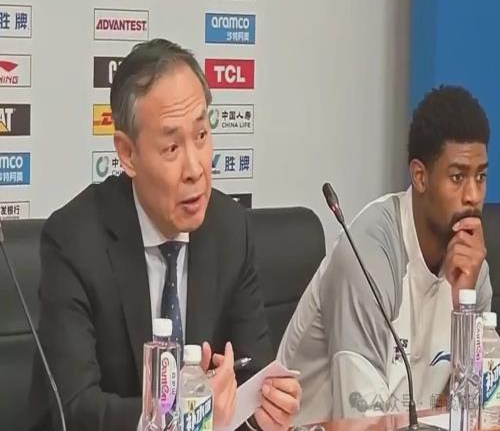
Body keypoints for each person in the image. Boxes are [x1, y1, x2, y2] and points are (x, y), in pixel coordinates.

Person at [29, 38, 301, 431]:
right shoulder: (74, 241)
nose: (195, 168)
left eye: (202, 136)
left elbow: (251, 375)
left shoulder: (230, 229)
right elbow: (73, 408)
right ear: (128, 154)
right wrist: (183, 418)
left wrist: (266, 409)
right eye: (172, 147)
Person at [277, 85, 492, 424]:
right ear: (419, 176)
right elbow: (361, 418)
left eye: (481, 177)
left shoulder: (473, 267)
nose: (473, 195)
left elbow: (477, 412)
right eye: (457, 177)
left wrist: (463, 306)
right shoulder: (368, 254)